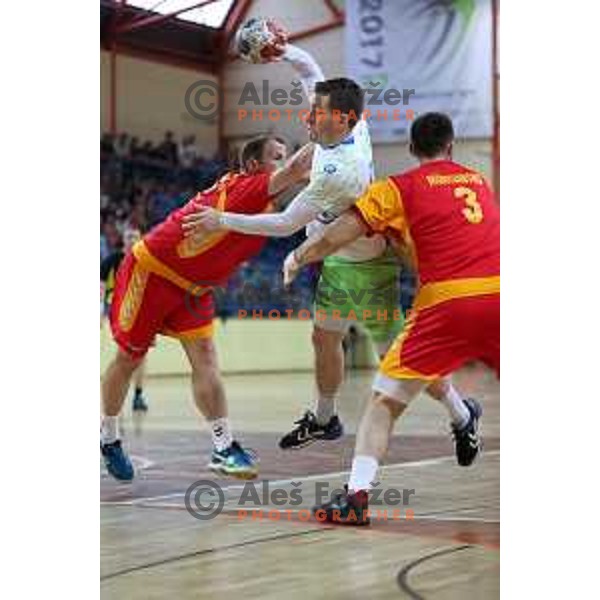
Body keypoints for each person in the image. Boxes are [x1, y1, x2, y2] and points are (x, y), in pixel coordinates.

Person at [182, 36, 476, 455]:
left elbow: (285, 224)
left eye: (316, 113)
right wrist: (279, 49)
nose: (308, 117)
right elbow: (309, 69)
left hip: (366, 263)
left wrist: (221, 220)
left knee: (402, 359)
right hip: (336, 258)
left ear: (343, 120)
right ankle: (324, 418)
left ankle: (462, 415)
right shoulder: (343, 123)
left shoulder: (341, 170)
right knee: (324, 338)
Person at [283, 112, 500, 524]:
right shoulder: (479, 182)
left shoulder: (397, 188)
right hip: (502, 294)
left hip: (445, 302)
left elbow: (339, 233)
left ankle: (356, 499)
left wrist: (299, 255)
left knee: (383, 403)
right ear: (451, 146)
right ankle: (463, 416)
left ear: (411, 150)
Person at [100, 135, 314, 482]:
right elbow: (297, 169)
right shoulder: (247, 187)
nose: (285, 161)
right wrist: (336, 128)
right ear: (254, 166)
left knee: (207, 357)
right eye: (276, 156)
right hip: (152, 272)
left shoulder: (270, 209)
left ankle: (224, 447)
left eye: (284, 155)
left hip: (193, 289)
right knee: (129, 358)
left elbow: (299, 210)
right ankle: (108, 437)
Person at [101, 228, 149, 412]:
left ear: (140, 238)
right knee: (125, 356)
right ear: (123, 239)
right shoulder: (112, 261)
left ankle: (137, 395)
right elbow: (101, 286)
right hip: (119, 312)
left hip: (143, 313)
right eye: (128, 236)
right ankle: (114, 400)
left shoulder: (146, 259)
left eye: (135, 236)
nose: (131, 239)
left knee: (140, 356)